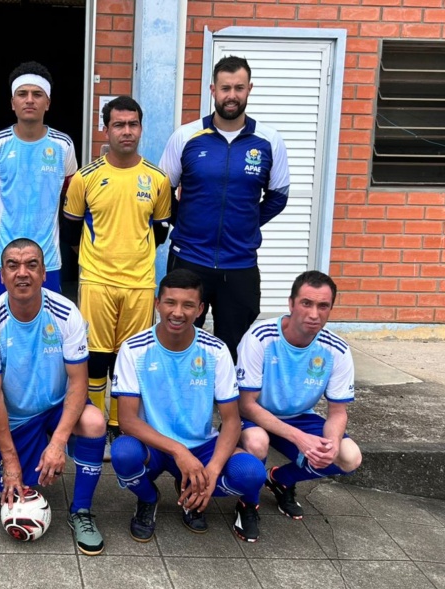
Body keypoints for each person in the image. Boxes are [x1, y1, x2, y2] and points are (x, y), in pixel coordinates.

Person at [0, 238, 108, 554]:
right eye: (13, 265)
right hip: (19, 419)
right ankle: (23, 456)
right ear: (1, 276)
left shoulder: (65, 312)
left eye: (32, 265)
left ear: (44, 273)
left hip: (59, 406)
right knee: (13, 490)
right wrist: (10, 460)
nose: (22, 273)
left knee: (94, 420)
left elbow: (78, 384)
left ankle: (82, 511)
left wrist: (58, 444)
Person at [110, 269, 268, 543]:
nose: (177, 312)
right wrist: (178, 451)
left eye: (188, 305)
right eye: (170, 302)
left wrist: (212, 471)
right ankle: (148, 498)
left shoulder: (216, 351)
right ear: (157, 303)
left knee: (252, 475)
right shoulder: (133, 348)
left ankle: (193, 496)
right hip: (155, 446)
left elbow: (231, 420)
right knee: (123, 453)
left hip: (201, 445)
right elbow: (128, 421)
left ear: (200, 309)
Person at [159, 55, 290, 361]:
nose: (232, 95)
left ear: (249, 89)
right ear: (212, 90)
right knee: (180, 338)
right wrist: (185, 223)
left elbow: (279, 194)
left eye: (239, 88)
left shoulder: (269, 141)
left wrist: (247, 223)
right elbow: (163, 192)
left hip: (240, 263)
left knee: (235, 346)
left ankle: (227, 404)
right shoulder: (186, 136)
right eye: (225, 88)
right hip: (190, 258)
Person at [63, 95, 172, 443]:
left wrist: (132, 255)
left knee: (128, 358)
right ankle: (92, 422)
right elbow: (71, 232)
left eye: (133, 124)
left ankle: (118, 424)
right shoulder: (85, 178)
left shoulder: (157, 178)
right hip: (97, 281)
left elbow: (159, 231)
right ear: (105, 129)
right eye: (119, 125)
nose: (127, 131)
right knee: (95, 358)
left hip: (140, 283)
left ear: (141, 128)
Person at [237, 270, 362, 520]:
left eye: (323, 306)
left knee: (349, 457)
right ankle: (248, 504)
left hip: (299, 416)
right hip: (256, 415)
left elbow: (338, 412)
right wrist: (300, 439)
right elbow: (246, 404)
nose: (314, 314)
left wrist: (332, 444)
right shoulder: (260, 337)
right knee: (256, 443)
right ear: (291, 303)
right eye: (306, 303)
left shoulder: (337, 349)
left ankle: (280, 480)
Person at [0, 61, 77, 299]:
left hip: (47, 259)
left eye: (37, 94)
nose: (30, 100)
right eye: (22, 94)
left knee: (48, 328)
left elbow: (70, 197)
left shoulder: (63, 145)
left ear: (48, 102)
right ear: (13, 103)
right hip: (1, 256)